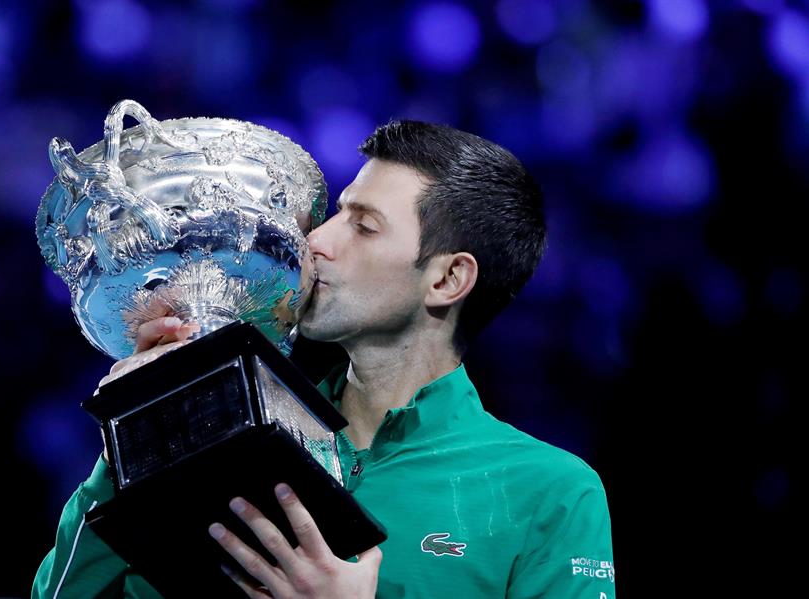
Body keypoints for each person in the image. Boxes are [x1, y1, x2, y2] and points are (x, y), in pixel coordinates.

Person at [32, 121, 615, 598]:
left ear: (448, 278)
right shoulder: (225, 434)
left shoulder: (549, 492)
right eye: (336, 213)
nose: (317, 240)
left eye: (363, 227)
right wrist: (140, 428)